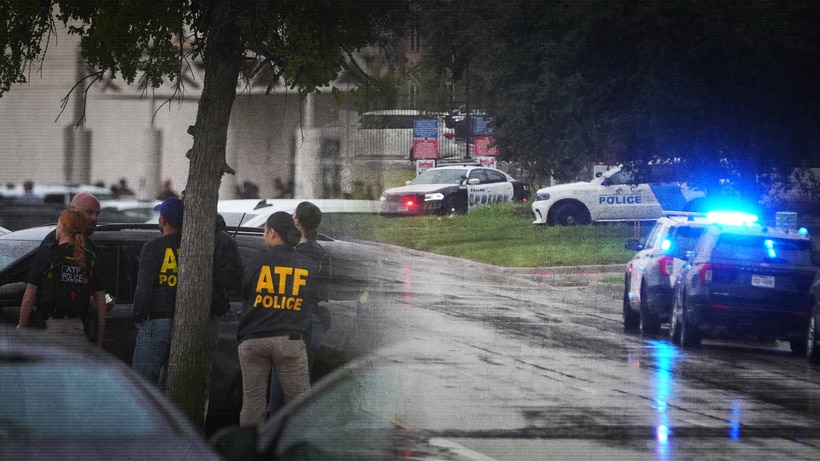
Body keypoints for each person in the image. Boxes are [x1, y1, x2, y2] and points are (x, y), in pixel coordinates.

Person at [237, 211, 318, 426]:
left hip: (254, 338)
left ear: (273, 232)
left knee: (252, 404)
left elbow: (245, 294)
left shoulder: (255, 262)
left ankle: (251, 444)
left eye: (264, 230)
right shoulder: (307, 265)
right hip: (290, 340)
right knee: (301, 406)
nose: (264, 234)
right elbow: (311, 300)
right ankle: (299, 444)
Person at [267, 201, 332, 417]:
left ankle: (277, 427)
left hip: (294, 322)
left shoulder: (295, 255)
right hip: (314, 323)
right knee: (302, 386)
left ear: (296, 221)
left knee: (280, 388)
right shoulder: (322, 254)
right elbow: (324, 291)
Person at [17, 210, 107, 343]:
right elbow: (101, 303)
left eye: (58, 223)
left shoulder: (48, 254)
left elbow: (28, 297)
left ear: (62, 227)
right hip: (78, 329)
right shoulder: (89, 258)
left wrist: (21, 329)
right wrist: (99, 340)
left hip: (49, 329)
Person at [36, 192, 112, 343]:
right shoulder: (53, 246)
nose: (94, 218)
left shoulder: (90, 248)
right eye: (89, 212)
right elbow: (42, 287)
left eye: (97, 214)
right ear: (72, 210)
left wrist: (106, 298)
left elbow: (100, 286)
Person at [131, 197, 184, 385]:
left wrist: (137, 315)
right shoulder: (191, 247)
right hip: (184, 323)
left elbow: (144, 286)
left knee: (143, 385)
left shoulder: (153, 247)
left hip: (157, 321)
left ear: (163, 220)